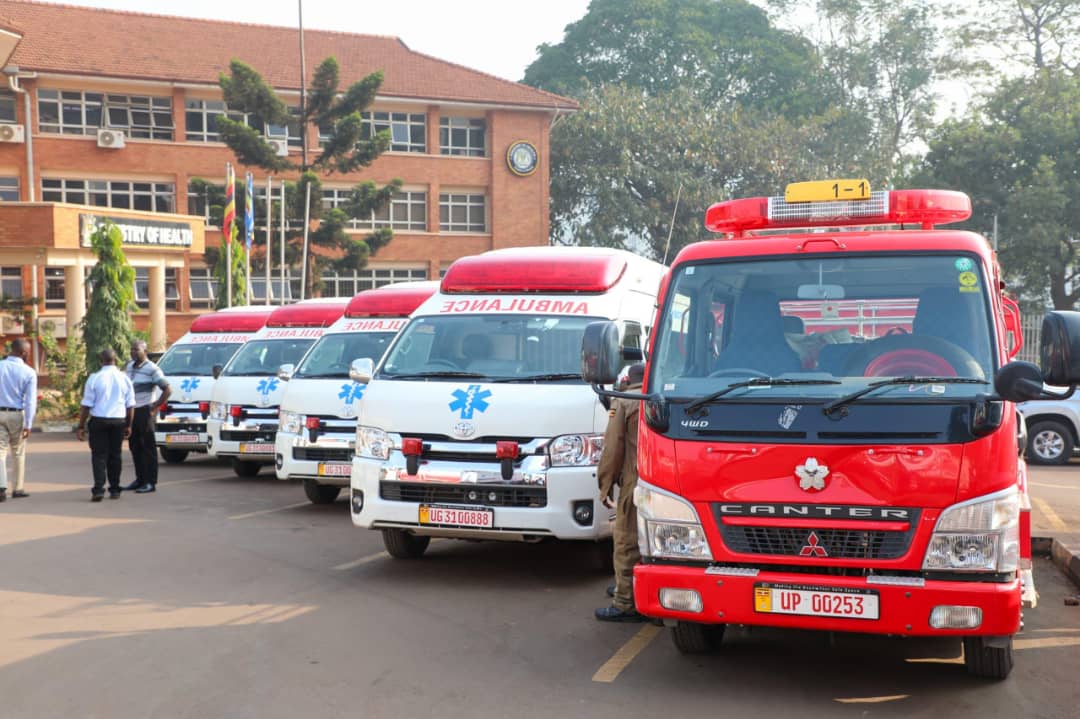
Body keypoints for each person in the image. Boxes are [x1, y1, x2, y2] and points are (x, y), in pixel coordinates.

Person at [595, 363, 646, 622]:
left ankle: (626, 602)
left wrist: (605, 485)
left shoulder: (624, 402)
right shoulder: (658, 398)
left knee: (626, 541)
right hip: (660, 483)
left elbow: (613, 449)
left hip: (634, 482)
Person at [76, 349, 135, 501]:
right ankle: (115, 489)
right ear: (115, 360)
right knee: (115, 455)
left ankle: (98, 490)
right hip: (118, 421)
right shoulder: (124, 378)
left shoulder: (95, 378)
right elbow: (131, 405)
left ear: (101, 360)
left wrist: (81, 426)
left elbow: (86, 405)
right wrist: (129, 425)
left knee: (99, 456)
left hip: (99, 420)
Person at [122, 340, 170, 493]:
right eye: (131, 349)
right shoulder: (129, 366)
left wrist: (155, 406)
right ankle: (140, 479)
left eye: (136, 350)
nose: (133, 352)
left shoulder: (152, 369)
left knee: (147, 447)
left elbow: (167, 389)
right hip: (131, 412)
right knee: (135, 447)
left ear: (145, 351)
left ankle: (150, 482)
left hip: (144, 411)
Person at [0, 338, 37, 501]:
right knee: (18, 452)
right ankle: (18, 488)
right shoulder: (28, 372)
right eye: (27, 352)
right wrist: (28, 424)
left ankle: (1, 487)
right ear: (23, 353)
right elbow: (30, 401)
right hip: (16, 414)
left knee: (0, 452)